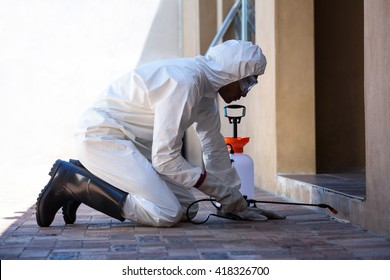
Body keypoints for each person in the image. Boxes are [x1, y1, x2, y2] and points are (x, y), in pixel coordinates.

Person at [36, 39, 281, 228]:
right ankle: (74, 182)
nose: (246, 92)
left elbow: (213, 145)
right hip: (100, 136)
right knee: (166, 212)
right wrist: (220, 192)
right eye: (247, 82)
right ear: (233, 73)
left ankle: (91, 174)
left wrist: (235, 202)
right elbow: (165, 159)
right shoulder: (185, 82)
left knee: (187, 209)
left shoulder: (204, 91)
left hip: (126, 143)